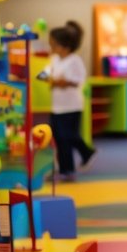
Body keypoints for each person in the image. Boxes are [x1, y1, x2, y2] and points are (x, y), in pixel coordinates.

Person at [45, 20, 96, 181]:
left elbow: (78, 80)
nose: (51, 48)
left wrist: (62, 81)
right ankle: (69, 165)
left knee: (68, 136)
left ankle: (69, 168)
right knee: (60, 137)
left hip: (71, 106)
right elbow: (44, 74)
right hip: (57, 106)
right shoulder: (55, 60)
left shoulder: (75, 60)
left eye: (53, 44)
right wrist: (52, 79)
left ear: (64, 46)